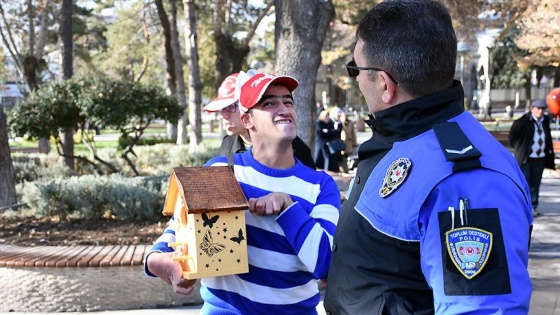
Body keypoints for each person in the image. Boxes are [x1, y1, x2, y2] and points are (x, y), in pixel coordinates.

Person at [323, 1, 533, 314]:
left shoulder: (464, 177)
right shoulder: (405, 140)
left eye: (356, 70)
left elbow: (481, 308)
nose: (356, 80)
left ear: (384, 85)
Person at [145, 72, 341, 314]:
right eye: (269, 103)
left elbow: (325, 263)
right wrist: (156, 260)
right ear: (247, 120)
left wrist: (287, 206)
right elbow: (177, 231)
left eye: (288, 101)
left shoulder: (321, 185)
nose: (283, 108)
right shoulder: (220, 171)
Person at [204, 72, 316, 169]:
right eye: (221, 109)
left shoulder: (294, 150)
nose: (224, 115)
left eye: (230, 106)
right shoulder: (227, 144)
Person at [508, 99, 556, 217]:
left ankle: (533, 207)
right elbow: (512, 138)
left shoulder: (545, 122)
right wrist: (521, 149)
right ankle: (522, 207)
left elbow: (547, 138)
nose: (540, 111)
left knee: (535, 184)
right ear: (532, 109)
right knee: (524, 184)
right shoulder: (522, 122)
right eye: (538, 108)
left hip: (539, 158)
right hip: (526, 159)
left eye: (542, 109)